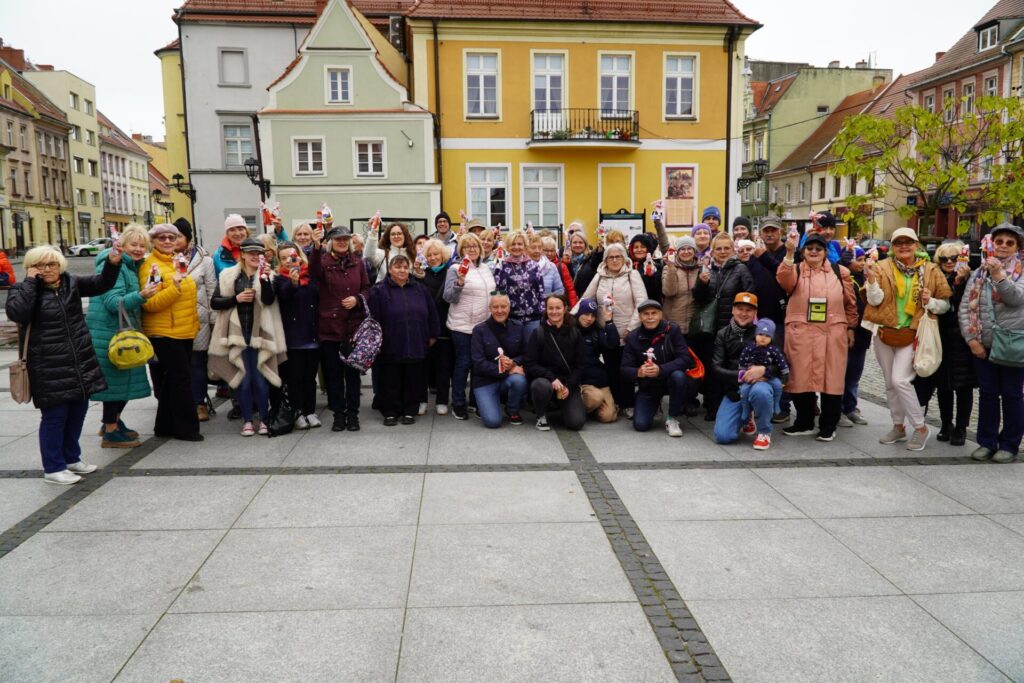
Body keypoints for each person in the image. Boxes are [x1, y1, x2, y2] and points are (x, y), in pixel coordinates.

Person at [7, 242, 120, 483]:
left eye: (52, 264)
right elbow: (18, 313)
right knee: (55, 417)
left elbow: (102, 283)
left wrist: (112, 263)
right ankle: (53, 467)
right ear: (30, 268)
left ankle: (71, 458)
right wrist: (30, 283)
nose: (47, 269)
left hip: (79, 361)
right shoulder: (21, 289)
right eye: (40, 265)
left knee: (77, 413)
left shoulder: (71, 283)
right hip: (48, 366)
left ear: (60, 265)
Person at [864, 227, 951, 451]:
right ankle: (898, 426)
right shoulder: (882, 267)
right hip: (885, 332)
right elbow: (874, 301)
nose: (904, 246)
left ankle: (920, 427)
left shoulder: (931, 270)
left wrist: (930, 302)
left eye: (908, 242)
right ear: (892, 246)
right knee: (890, 384)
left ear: (916, 245)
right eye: (899, 242)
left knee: (900, 380)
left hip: (914, 333)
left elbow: (945, 304)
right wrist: (872, 281)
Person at [776, 231, 858, 441]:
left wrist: (850, 327)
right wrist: (789, 252)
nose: (813, 252)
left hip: (833, 333)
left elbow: (850, 303)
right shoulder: (794, 269)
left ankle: (828, 425)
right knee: (800, 378)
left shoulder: (840, 272)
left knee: (832, 379)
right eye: (810, 248)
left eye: (818, 249)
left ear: (825, 252)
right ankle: (804, 421)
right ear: (803, 251)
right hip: (801, 333)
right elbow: (784, 281)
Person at [86, 225, 156, 448]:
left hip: (118, 332)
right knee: (114, 384)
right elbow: (113, 303)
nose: (138, 249)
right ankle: (110, 431)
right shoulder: (115, 266)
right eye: (133, 244)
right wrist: (142, 295)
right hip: (109, 334)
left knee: (123, 382)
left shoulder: (130, 266)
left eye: (142, 245)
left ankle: (112, 422)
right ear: (122, 245)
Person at [959, 223, 1024, 463]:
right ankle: (986, 442)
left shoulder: (1021, 271)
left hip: (1013, 345)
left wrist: (1000, 277)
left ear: (1017, 247)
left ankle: (1009, 444)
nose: (1004, 246)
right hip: (984, 344)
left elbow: (1016, 299)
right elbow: (966, 307)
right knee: (988, 394)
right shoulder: (979, 273)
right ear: (992, 244)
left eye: (1010, 242)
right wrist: (972, 339)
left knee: (1013, 395)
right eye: (1000, 242)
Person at [209, 238, 286, 436]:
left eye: (259, 253)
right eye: (250, 252)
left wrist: (265, 280)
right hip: (236, 334)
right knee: (243, 379)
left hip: (260, 333)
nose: (255, 256)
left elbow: (269, 300)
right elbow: (215, 303)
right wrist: (236, 299)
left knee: (260, 378)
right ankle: (247, 420)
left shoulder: (268, 275)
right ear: (241, 254)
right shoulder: (228, 275)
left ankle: (264, 419)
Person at [140, 223, 203, 442]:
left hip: (184, 330)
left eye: (171, 238)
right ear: (154, 241)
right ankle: (186, 428)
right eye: (162, 238)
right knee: (181, 380)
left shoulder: (177, 262)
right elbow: (151, 304)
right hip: (165, 332)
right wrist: (174, 288)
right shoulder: (152, 267)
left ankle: (164, 426)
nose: (168, 241)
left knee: (171, 380)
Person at [910, 242, 976, 445]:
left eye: (954, 258)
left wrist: (960, 281)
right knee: (943, 384)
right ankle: (946, 423)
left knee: (963, 385)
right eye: (944, 259)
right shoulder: (934, 276)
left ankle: (961, 427)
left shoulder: (970, 278)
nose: (949, 262)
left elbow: (962, 304)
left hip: (963, 338)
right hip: (939, 336)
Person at [574, 243, 648, 417]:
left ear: (624, 258)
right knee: (612, 369)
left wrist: (631, 328)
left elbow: (641, 303)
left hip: (628, 331)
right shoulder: (600, 276)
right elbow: (586, 298)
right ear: (605, 260)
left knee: (627, 369)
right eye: (610, 257)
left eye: (618, 257)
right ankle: (616, 401)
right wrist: (569, 317)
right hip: (606, 331)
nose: (614, 260)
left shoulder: (632, 275)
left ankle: (628, 403)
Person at [309, 224, 368, 432]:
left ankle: (353, 415)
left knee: (352, 376)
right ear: (331, 242)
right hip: (330, 328)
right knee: (334, 377)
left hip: (353, 328)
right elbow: (313, 273)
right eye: (338, 239)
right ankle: (338, 415)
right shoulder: (323, 262)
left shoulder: (358, 263)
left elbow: (367, 288)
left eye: (345, 239)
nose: (342, 242)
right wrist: (316, 248)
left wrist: (358, 299)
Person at [369, 254, 440, 425]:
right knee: (390, 379)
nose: (402, 270)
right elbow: (373, 318)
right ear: (390, 270)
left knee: (414, 378)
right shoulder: (379, 290)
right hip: (390, 343)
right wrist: (376, 341)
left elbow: (432, 313)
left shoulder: (420, 289)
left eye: (404, 267)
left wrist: (433, 334)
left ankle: (410, 410)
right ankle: (391, 412)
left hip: (416, 340)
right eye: (397, 267)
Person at [692, 232, 754, 420]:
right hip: (710, 329)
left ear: (733, 250)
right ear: (713, 250)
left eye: (726, 248)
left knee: (730, 366)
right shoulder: (706, 269)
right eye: (718, 248)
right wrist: (701, 284)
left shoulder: (741, 269)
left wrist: (742, 321)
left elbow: (750, 295)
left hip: (732, 327)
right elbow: (698, 299)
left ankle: (732, 407)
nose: (723, 251)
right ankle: (712, 406)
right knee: (712, 368)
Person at [620, 299, 695, 436]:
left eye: (654, 313)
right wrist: (639, 372)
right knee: (640, 425)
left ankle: (672, 418)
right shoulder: (632, 337)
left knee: (679, 376)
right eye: (645, 314)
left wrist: (661, 369)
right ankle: (654, 404)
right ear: (640, 317)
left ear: (661, 315)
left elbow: (686, 359)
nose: (650, 317)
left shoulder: (672, 330)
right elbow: (624, 368)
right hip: (648, 384)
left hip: (669, 379)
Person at [712, 293, 776, 449]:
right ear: (733, 310)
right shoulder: (722, 334)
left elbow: (781, 363)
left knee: (760, 392)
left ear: (755, 313)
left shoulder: (762, 333)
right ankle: (747, 416)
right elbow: (716, 367)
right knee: (723, 436)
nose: (744, 313)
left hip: (759, 384)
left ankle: (764, 432)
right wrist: (742, 376)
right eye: (740, 309)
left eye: (749, 310)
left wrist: (763, 369)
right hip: (735, 390)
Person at [444, 233, 495, 419]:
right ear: (461, 250)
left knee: (479, 366)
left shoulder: (486, 269)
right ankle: (458, 403)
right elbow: (448, 297)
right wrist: (459, 283)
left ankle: (475, 401)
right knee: (464, 364)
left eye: (475, 246)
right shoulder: (456, 268)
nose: (472, 249)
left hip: (483, 326)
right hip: (462, 326)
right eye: (467, 247)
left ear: (480, 249)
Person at [748, 215, 791, 421]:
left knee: (782, 361)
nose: (770, 234)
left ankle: (783, 407)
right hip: (760, 318)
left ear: (780, 232)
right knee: (759, 360)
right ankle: (762, 403)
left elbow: (786, 276)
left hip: (783, 318)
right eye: (766, 231)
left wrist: (763, 256)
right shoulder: (755, 255)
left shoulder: (788, 253)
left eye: (773, 230)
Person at [174, 218, 217, 422]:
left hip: (198, 319)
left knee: (197, 361)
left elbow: (211, 290)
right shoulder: (164, 260)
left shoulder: (204, 260)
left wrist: (213, 319)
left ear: (187, 237)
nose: (174, 240)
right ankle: (180, 404)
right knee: (177, 364)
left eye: (178, 236)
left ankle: (199, 403)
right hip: (173, 319)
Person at [275, 241, 321, 429]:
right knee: (295, 378)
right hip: (293, 337)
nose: (288, 261)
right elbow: (284, 296)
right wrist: (293, 283)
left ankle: (310, 410)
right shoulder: (279, 279)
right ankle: (297, 412)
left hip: (312, 334)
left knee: (310, 378)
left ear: (299, 256)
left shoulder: (309, 275)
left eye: (291, 256)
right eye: (283, 258)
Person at [525, 294, 586, 431]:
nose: (554, 312)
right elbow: (529, 364)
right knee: (541, 386)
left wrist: (569, 386)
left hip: (567, 384)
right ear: (546, 310)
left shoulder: (575, 333)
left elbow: (580, 365)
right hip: (545, 381)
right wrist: (551, 377)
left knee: (576, 423)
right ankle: (540, 415)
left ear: (565, 309)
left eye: (558, 308)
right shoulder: (538, 333)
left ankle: (560, 406)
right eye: (550, 308)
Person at [470, 293, 529, 427]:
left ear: (509, 307)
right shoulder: (479, 330)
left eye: (503, 306)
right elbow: (478, 363)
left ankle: (512, 409)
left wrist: (514, 362)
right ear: (489, 308)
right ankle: (489, 402)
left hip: (508, 380)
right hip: (485, 381)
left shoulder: (519, 326)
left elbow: (526, 354)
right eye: (495, 307)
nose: (500, 310)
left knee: (519, 380)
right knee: (493, 422)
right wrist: (506, 370)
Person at [417, 238, 453, 415]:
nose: (432, 258)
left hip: (445, 325)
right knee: (423, 366)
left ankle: (442, 400)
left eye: (435, 254)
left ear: (443, 255)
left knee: (443, 366)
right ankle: (422, 400)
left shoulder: (450, 272)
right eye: (429, 255)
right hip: (424, 326)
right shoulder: (421, 274)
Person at [838, 245, 872, 427]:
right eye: (857, 260)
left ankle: (850, 407)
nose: (862, 264)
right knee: (841, 372)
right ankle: (839, 409)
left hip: (862, 334)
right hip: (844, 332)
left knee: (854, 374)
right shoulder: (843, 277)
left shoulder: (866, 277)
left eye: (862, 260)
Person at [494, 231, 545, 339]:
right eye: (513, 244)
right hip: (511, 318)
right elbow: (498, 292)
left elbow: (540, 291)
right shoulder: (501, 266)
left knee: (531, 350)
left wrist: (541, 312)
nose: (516, 247)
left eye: (519, 244)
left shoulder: (534, 266)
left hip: (533, 318)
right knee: (513, 351)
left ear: (525, 246)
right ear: (508, 247)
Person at [574, 298, 619, 423]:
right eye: (586, 314)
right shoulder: (570, 330)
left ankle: (592, 409)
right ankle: (575, 409)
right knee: (595, 398)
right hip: (581, 382)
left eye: (593, 316)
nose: (589, 319)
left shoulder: (596, 332)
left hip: (599, 381)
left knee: (609, 416)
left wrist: (609, 321)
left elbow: (613, 344)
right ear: (579, 313)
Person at [738, 319, 789, 417]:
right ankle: (745, 410)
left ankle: (776, 405)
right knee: (744, 391)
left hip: (768, 376)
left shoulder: (774, 349)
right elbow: (742, 362)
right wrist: (741, 377)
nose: (763, 338)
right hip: (750, 376)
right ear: (756, 334)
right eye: (761, 334)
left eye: (767, 336)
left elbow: (782, 362)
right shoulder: (749, 348)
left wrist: (785, 373)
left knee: (778, 385)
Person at [542, 236, 578, 306]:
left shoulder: (561, 266)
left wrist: (573, 307)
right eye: (546, 250)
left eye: (552, 251)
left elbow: (570, 289)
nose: (549, 253)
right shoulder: (533, 265)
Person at [527, 232, 564, 297]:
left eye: (540, 248)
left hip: (547, 306)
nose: (537, 251)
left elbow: (560, 291)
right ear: (526, 249)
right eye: (533, 248)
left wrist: (545, 298)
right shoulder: (520, 267)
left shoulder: (551, 266)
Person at [628, 233, 663, 301]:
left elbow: (657, 292)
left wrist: (651, 276)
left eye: (643, 247)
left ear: (648, 249)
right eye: (636, 247)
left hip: (650, 306)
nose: (639, 249)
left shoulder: (656, 266)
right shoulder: (627, 266)